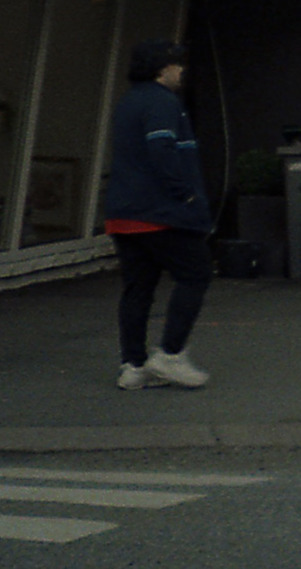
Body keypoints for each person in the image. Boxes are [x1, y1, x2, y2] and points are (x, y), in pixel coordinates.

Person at [102, 40, 214, 390]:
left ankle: (132, 365)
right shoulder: (163, 102)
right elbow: (162, 148)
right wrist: (186, 193)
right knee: (196, 274)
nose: (182, 71)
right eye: (177, 65)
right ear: (162, 68)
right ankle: (170, 354)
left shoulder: (128, 102)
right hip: (160, 212)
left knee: (138, 288)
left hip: (123, 213)